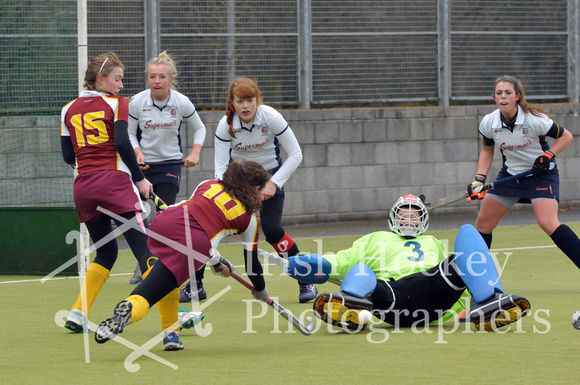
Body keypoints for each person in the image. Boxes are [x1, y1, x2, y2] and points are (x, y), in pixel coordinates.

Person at [60, 52, 202, 349]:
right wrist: (138, 178)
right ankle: (171, 321)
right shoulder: (116, 104)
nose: (122, 85)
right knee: (151, 251)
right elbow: (123, 141)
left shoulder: (67, 109)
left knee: (106, 253)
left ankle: (78, 311)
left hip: (83, 187)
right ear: (101, 79)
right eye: (117, 79)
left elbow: (66, 156)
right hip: (114, 185)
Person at [284, 194, 531, 331]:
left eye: (415, 214)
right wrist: (313, 265)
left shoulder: (432, 241)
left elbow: (466, 276)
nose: (410, 217)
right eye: (404, 213)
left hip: (434, 296)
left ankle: (489, 303)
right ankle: (352, 309)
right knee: (361, 270)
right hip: (393, 297)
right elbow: (340, 262)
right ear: (394, 217)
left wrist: (463, 310)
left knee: (467, 235)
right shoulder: (375, 239)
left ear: (423, 220)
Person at [94, 161, 271, 349]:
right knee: (152, 293)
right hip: (195, 243)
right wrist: (260, 290)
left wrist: (216, 261)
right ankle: (131, 309)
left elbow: (197, 216)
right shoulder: (249, 219)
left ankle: (171, 334)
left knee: (165, 281)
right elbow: (252, 265)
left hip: (167, 221)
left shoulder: (208, 184)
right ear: (256, 188)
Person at [198, 76, 317, 304]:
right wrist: (222, 192)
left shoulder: (271, 117)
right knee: (210, 230)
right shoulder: (226, 126)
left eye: (250, 100)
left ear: (257, 100)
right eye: (240, 101)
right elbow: (220, 168)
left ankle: (305, 279)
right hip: (238, 185)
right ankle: (195, 285)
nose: (245, 106)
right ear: (232, 103)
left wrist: (273, 183)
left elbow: (296, 154)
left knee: (272, 230)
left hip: (269, 177)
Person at [466, 75, 580, 269]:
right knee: (483, 223)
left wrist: (548, 155)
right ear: (494, 97)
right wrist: (479, 179)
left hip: (541, 175)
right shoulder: (489, 122)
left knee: (547, 222)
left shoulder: (535, 120)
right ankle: (479, 276)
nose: (503, 97)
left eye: (508, 93)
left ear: (517, 96)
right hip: (510, 176)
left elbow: (566, 136)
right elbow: (487, 150)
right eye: (499, 93)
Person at [127, 51, 207, 285]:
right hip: (142, 168)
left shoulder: (181, 102)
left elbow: (200, 128)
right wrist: (137, 152)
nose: (157, 81)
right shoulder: (137, 102)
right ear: (147, 78)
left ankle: (156, 263)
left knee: (163, 217)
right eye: (152, 77)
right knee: (139, 215)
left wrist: (195, 152)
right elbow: (129, 133)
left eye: (162, 77)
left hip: (169, 166)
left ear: (170, 79)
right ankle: (144, 260)